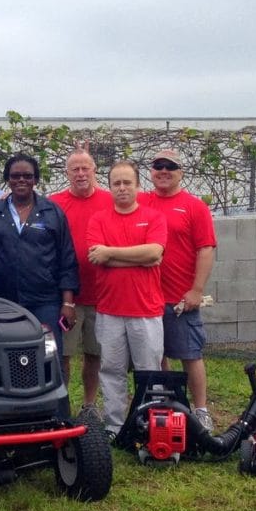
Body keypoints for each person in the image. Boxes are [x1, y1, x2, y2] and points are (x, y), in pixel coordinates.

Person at [86, 161, 167, 437]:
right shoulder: (98, 220)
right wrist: (136, 258)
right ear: (109, 188)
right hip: (109, 310)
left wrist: (112, 254)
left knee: (149, 372)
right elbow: (97, 258)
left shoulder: (153, 217)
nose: (122, 188)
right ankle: (115, 426)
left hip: (145, 311)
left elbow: (155, 254)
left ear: (138, 186)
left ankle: (148, 424)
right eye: (116, 183)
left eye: (127, 183)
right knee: (111, 370)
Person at [140, 148, 218, 432]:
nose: (163, 171)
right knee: (156, 354)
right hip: (146, 298)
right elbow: (106, 196)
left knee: (190, 354)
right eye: (157, 165)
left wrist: (197, 290)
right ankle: (165, 403)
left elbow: (206, 249)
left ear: (180, 172)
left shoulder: (194, 206)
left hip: (180, 299)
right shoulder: (141, 201)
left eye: (170, 166)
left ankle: (201, 410)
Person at [0, 153, 78, 357]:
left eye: (27, 176)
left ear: (35, 180)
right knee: (7, 355)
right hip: (3, 300)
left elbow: (67, 259)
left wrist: (67, 303)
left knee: (49, 356)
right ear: (7, 180)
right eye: (15, 176)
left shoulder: (52, 212)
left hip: (45, 301)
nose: (21, 180)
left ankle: (55, 391)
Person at [50, 148, 112, 420]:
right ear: (67, 173)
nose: (81, 173)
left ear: (94, 170)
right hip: (68, 298)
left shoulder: (110, 201)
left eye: (85, 168)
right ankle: (60, 403)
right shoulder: (54, 203)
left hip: (102, 294)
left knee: (93, 353)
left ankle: (89, 404)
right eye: (75, 169)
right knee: (63, 353)